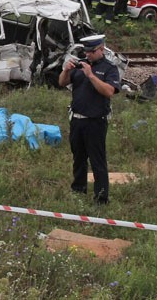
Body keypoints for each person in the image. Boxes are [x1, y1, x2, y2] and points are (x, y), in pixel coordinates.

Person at [58, 34, 121, 205]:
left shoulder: (109, 68)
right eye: (86, 51)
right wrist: (66, 70)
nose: (88, 55)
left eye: (92, 52)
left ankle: (101, 197)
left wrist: (91, 75)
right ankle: (78, 189)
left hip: (96, 121)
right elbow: (62, 83)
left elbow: (109, 91)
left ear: (101, 49)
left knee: (97, 160)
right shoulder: (80, 64)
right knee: (78, 157)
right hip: (77, 120)